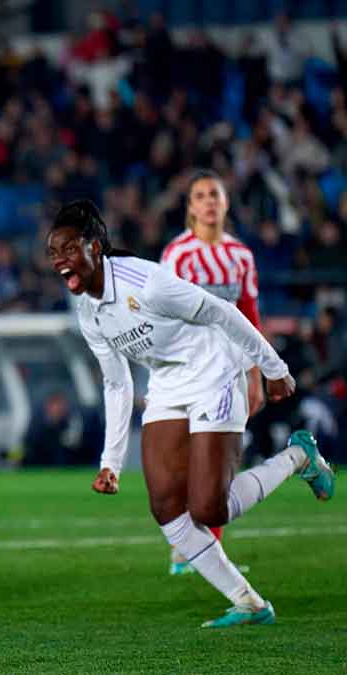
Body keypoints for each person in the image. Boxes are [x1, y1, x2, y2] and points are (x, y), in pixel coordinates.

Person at [47, 200, 335, 628]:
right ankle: (248, 602)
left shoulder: (148, 283)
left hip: (213, 372)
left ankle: (299, 456)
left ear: (95, 246)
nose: (59, 261)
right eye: (53, 253)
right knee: (165, 506)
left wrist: (274, 369)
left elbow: (222, 312)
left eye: (68, 249)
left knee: (209, 510)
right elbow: (117, 383)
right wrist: (110, 462)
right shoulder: (89, 311)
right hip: (166, 384)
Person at [160, 170, 263, 574]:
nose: (208, 202)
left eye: (214, 195)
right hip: (188, 369)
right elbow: (162, 312)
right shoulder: (178, 255)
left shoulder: (240, 256)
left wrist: (256, 373)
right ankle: (185, 547)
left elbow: (251, 315)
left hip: (231, 370)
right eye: (200, 195)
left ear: (225, 203)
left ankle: (205, 553)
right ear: (190, 206)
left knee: (220, 462)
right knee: (188, 459)